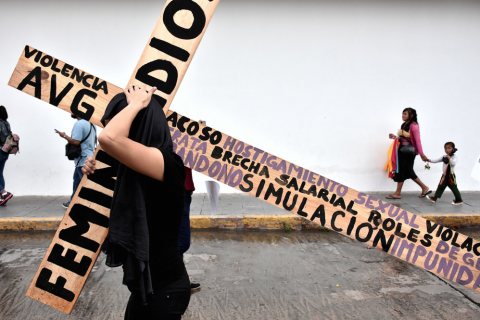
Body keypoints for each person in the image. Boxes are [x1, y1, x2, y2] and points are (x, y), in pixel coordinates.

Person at [82, 85, 190, 319]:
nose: (111, 127)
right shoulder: (134, 169)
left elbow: (109, 138)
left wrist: (135, 104)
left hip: (164, 291)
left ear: (140, 125)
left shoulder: (167, 162)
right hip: (147, 289)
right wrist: (94, 169)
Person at [387, 108, 431, 199]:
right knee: (403, 171)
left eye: (405, 114)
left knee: (408, 171)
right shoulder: (404, 124)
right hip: (402, 150)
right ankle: (398, 193)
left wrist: (422, 154)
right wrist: (395, 137)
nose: (403, 115)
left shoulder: (414, 126)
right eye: (403, 113)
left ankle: (424, 187)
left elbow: (417, 141)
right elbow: (402, 138)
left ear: (412, 115)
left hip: (410, 152)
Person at [56, 114, 96, 209]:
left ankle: (86, 205)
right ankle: (73, 201)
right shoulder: (91, 123)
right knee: (77, 181)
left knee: (83, 183)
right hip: (89, 156)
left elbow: (76, 141)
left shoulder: (79, 124)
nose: (71, 112)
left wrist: (64, 135)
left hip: (83, 158)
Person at [0, 106, 13, 206]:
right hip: (5, 151)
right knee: (0, 173)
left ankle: (3, 193)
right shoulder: (7, 124)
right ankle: (2, 198)